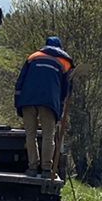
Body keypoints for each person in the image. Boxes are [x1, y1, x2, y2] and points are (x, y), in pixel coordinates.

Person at [13, 35, 73, 177]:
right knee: (48, 136)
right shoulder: (63, 62)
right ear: (59, 48)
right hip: (49, 103)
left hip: (28, 100)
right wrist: (60, 107)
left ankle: (32, 168)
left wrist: (18, 102)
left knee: (30, 135)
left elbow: (20, 82)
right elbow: (66, 90)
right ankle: (47, 169)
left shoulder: (33, 57)